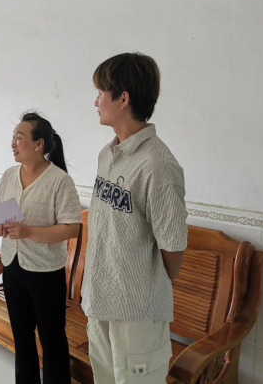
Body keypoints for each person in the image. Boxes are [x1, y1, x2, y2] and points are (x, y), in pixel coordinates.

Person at [82, 53, 188, 384]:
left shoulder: (158, 165)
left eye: (101, 93)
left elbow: (173, 248)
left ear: (123, 98)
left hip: (136, 316)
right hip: (99, 303)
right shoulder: (108, 154)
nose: (96, 101)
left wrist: (142, 286)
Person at [0, 112, 82, 384]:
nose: (13, 143)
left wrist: (29, 231)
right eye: (13, 137)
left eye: (19, 137)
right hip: (12, 265)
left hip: (45, 271)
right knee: (21, 336)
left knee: (52, 339)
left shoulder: (59, 180)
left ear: (39, 144)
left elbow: (72, 228)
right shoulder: (9, 175)